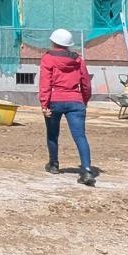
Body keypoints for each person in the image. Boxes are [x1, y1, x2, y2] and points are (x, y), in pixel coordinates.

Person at [40, 27, 95, 186]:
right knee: (80, 136)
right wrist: (84, 100)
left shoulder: (48, 58)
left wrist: (44, 103)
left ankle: (54, 164)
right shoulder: (78, 59)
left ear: (53, 42)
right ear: (68, 44)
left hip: (54, 100)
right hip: (75, 100)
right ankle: (86, 170)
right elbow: (86, 83)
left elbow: (45, 82)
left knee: (52, 134)